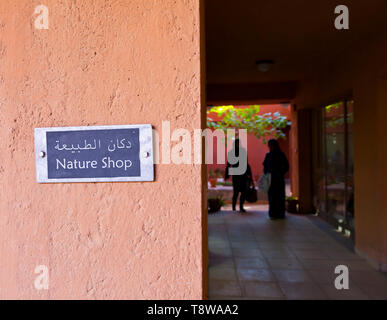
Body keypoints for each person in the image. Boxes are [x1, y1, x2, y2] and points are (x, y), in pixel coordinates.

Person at [263, 139, 289, 219]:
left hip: (278, 179)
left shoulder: (280, 155)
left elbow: (286, 166)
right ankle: (274, 214)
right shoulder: (269, 155)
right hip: (273, 179)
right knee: (273, 197)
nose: (269, 147)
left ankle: (279, 214)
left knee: (279, 197)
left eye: (270, 145)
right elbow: (265, 167)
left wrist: (280, 173)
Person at [225, 139, 252, 213]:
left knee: (243, 192)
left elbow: (246, 163)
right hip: (236, 175)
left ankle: (241, 207)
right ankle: (234, 208)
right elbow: (228, 164)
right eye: (236, 143)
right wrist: (227, 174)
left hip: (243, 175)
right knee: (236, 192)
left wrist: (249, 174)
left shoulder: (243, 152)